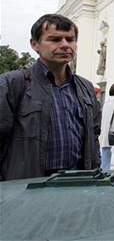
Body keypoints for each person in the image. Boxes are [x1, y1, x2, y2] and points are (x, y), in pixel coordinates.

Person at [0, 14, 101, 181]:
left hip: (79, 180)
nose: (65, 45)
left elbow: (94, 135)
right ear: (35, 44)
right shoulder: (12, 84)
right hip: (29, 185)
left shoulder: (86, 87)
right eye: (55, 39)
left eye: (70, 39)